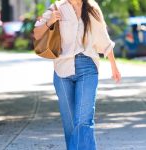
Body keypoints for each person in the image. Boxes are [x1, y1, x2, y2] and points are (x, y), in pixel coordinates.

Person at [33, 0, 121, 149]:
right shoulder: (57, 7)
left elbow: (103, 38)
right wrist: (51, 21)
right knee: (70, 123)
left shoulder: (92, 7)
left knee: (83, 119)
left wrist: (114, 66)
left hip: (87, 67)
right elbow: (37, 34)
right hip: (62, 70)